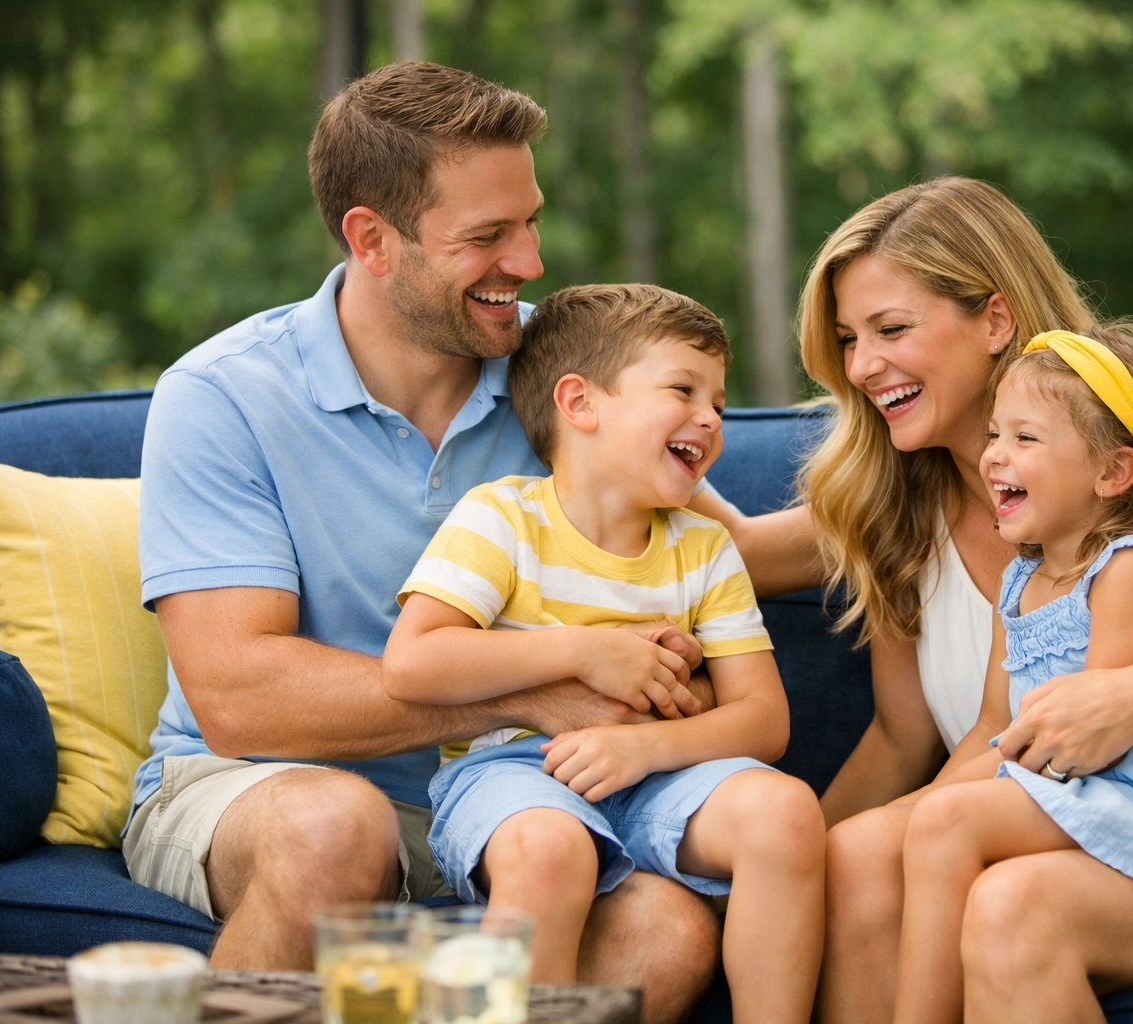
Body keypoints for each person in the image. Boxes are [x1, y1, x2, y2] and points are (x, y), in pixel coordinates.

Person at [699, 177, 1133, 1021]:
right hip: (1049, 835)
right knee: (857, 860)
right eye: (847, 340)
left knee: (1010, 907)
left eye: (892, 329)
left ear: (995, 320)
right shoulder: (894, 508)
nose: (862, 365)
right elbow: (899, 731)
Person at [124, 62, 721, 1021]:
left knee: (671, 928)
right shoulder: (224, 395)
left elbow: (732, 550)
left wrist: (932, 487)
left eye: (530, 223)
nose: (529, 262)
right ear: (372, 239)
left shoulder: (567, 375)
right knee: (335, 828)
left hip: (514, 794)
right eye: (487, 237)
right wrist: (538, 690)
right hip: (258, 786)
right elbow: (238, 696)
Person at [382, 284, 825, 1024]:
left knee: (783, 813)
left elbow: (763, 719)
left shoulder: (705, 549)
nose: (710, 418)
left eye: (718, 402)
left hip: (660, 773)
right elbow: (412, 662)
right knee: (550, 853)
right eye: (683, 389)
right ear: (580, 403)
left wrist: (643, 748)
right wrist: (585, 651)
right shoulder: (502, 518)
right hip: (510, 773)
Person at [889, 326, 1133, 1024]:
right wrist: (922, 816)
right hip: (1094, 787)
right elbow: (999, 729)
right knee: (934, 823)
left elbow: (1095, 738)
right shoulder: (1020, 583)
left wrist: (946, 818)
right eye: (995, 434)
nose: (993, 455)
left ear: (1112, 473)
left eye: (1025, 438)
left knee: (946, 825)